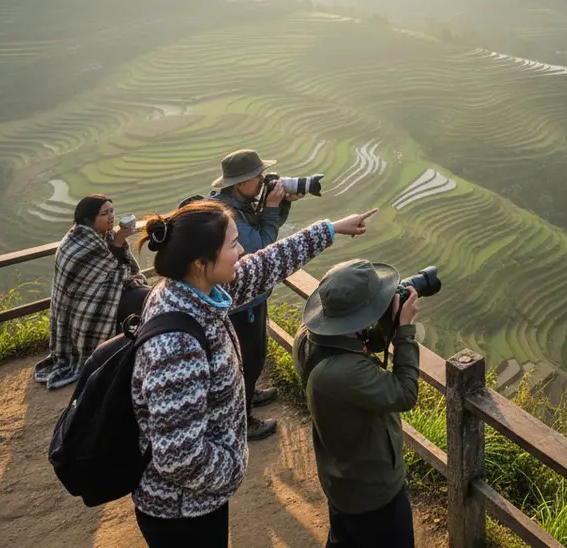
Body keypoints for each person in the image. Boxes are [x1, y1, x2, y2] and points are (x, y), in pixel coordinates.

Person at [130, 199, 377, 548]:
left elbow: (264, 265)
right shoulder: (177, 346)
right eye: (232, 244)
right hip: (181, 512)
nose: (242, 250)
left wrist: (331, 229)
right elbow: (178, 457)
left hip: (196, 500)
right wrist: (231, 467)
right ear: (201, 262)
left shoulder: (195, 290)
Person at [302, 259, 421, 548]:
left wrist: (381, 324)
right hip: (373, 490)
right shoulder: (344, 372)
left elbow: (355, 343)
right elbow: (405, 392)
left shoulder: (311, 341)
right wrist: (403, 330)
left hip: (342, 478)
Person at [209, 149, 301, 440]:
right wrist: (273, 208)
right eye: (256, 176)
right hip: (242, 302)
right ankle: (243, 420)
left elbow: (263, 229)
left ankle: (248, 394)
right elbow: (261, 246)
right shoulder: (228, 213)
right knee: (248, 357)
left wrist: (280, 206)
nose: (262, 180)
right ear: (239, 183)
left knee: (252, 357)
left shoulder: (237, 204)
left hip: (250, 297)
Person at [35, 194, 149, 390]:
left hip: (110, 295)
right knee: (146, 298)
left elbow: (119, 267)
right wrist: (118, 245)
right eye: (104, 213)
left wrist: (119, 239)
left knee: (145, 296)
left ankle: (136, 347)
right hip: (90, 307)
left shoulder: (104, 236)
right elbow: (107, 274)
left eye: (112, 211)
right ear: (88, 219)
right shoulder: (78, 244)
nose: (111, 217)